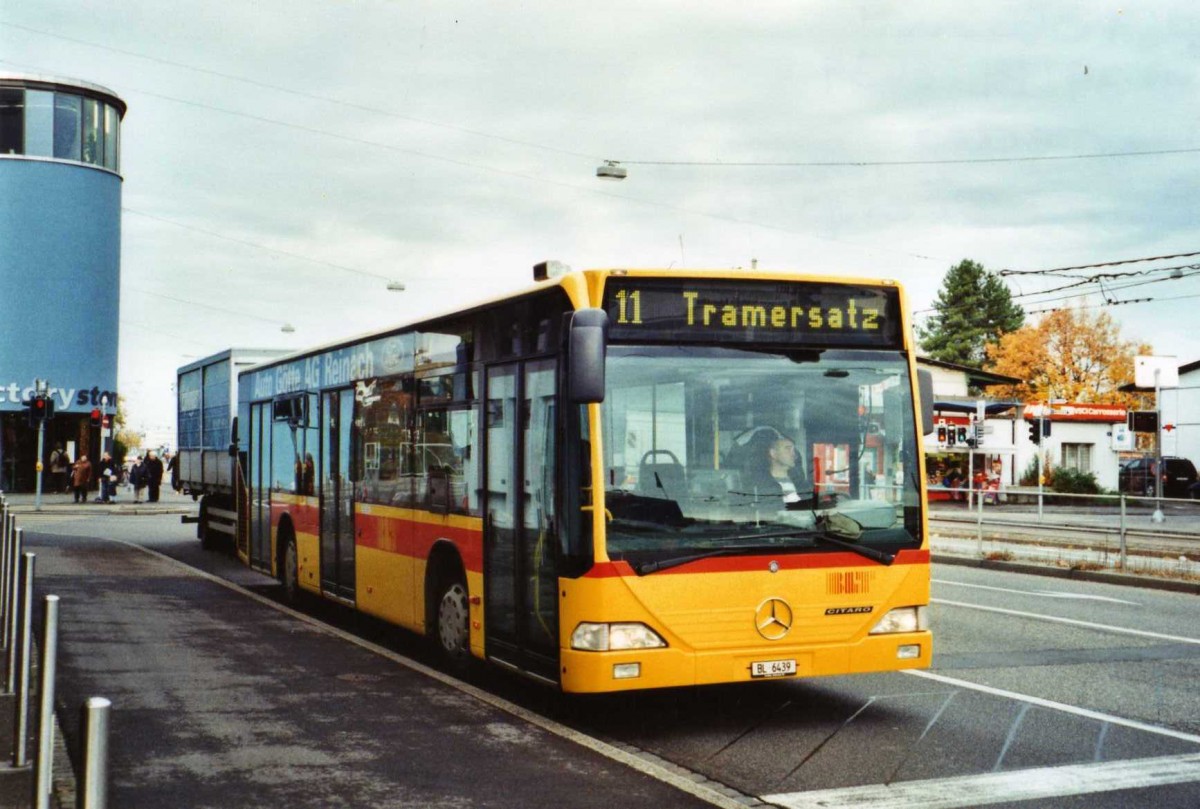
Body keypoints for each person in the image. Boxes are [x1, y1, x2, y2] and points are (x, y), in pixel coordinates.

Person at [741, 428, 813, 507]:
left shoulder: (800, 483)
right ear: (773, 453)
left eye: (793, 450)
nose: (793, 454)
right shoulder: (760, 485)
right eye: (787, 448)